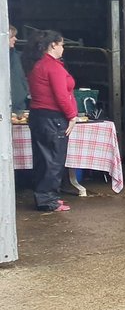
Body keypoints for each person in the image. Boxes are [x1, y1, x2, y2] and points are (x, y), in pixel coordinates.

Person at [26, 29, 76, 212]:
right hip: (53, 118)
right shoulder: (52, 67)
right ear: (53, 45)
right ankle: (48, 199)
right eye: (62, 44)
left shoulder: (38, 65)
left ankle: (46, 196)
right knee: (53, 160)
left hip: (39, 116)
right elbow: (61, 96)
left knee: (43, 159)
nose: (63, 48)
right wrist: (72, 116)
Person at [9, 25, 29, 115]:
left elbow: (21, 77)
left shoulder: (16, 56)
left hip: (19, 106)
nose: (15, 39)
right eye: (12, 36)